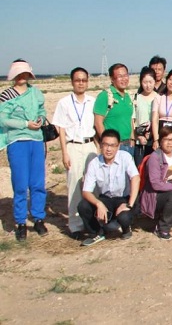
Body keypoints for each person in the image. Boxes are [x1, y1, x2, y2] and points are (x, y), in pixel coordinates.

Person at [0, 60, 48, 241]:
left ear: (29, 74)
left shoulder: (36, 93)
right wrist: (25, 123)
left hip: (36, 140)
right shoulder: (6, 95)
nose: (21, 76)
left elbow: (42, 111)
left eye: (24, 73)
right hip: (17, 141)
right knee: (20, 184)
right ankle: (20, 222)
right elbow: (3, 119)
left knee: (37, 183)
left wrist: (40, 119)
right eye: (18, 73)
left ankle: (38, 218)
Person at [52, 67, 98, 239]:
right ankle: (75, 225)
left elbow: (96, 126)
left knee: (93, 184)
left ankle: (93, 221)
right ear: (72, 82)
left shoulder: (92, 101)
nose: (81, 83)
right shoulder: (64, 103)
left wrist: (98, 149)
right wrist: (64, 153)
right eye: (78, 80)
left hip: (90, 145)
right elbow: (61, 129)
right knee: (74, 186)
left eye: (84, 80)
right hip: (72, 145)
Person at [78, 129, 140, 246]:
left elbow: (136, 178)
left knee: (124, 217)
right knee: (83, 206)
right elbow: (86, 191)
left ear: (118, 146)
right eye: (106, 145)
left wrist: (129, 205)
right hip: (106, 198)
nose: (108, 149)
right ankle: (96, 233)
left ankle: (126, 228)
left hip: (124, 198)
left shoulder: (125, 157)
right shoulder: (94, 163)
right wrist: (99, 204)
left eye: (112, 145)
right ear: (101, 145)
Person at [93, 63, 134, 154]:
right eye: (120, 76)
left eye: (125, 75)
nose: (124, 79)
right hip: (113, 147)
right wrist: (108, 144)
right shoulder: (105, 96)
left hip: (128, 145)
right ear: (112, 79)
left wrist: (132, 138)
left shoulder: (128, 96)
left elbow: (129, 119)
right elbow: (98, 123)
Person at [132, 67, 157, 167]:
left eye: (150, 82)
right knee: (140, 169)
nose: (148, 85)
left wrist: (153, 135)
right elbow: (133, 121)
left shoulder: (159, 97)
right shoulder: (136, 98)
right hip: (140, 142)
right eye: (145, 82)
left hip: (154, 142)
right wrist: (138, 136)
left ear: (155, 81)